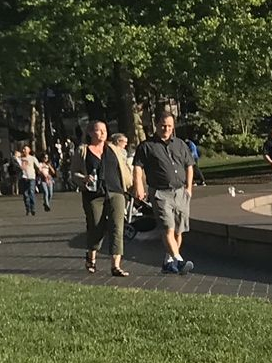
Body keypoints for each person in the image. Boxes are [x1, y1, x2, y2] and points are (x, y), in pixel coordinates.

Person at [136, 110, 197, 274]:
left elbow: (189, 165)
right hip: (160, 193)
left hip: (180, 192)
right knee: (167, 227)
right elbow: (137, 167)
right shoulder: (147, 146)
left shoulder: (180, 144)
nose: (166, 129)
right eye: (163, 126)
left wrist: (189, 188)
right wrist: (139, 187)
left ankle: (168, 262)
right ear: (156, 125)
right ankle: (179, 260)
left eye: (170, 126)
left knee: (178, 230)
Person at [69, 121, 129, 276]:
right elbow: (74, 173)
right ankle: (91, 256)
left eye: (104, 130)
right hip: (93, 194)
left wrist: (133, 186)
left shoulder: (115, 150)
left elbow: (124, 168)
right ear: (90, 133)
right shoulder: (82, 151)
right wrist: (84, 178)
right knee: (96, 226)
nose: (102, 133)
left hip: (115, 191)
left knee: (117, 227)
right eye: (98, 130)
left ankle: (115, 265)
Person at [13, 142, 39, 216]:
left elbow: (38, 166)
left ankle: (33, 208)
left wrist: (40, 171)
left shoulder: (32, 158)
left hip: (31, 177)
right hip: (23, 178)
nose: (24, 150)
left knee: (31, 192)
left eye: (25, 149)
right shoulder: (20, 159)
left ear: (29, 150)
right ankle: (28, 208)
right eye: (23, 149)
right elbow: (15, 163)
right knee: (25, 194)